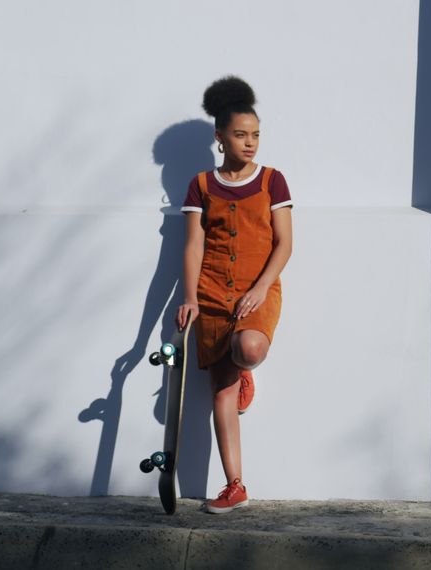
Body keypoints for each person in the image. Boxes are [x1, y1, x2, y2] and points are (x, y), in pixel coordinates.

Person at [175, 76, 293, 514]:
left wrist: (260, 289)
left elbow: (285, 244)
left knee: (248, 346)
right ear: (219, 137)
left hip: (257, 293)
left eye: (256, 135)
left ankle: (246, 369)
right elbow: (193, 245)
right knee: (220, 393)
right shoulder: (201, 185)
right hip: (210, 295)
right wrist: (188, 297)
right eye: (241, 135)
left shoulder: (273, 181)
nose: (250, 143)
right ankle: (235, 485)